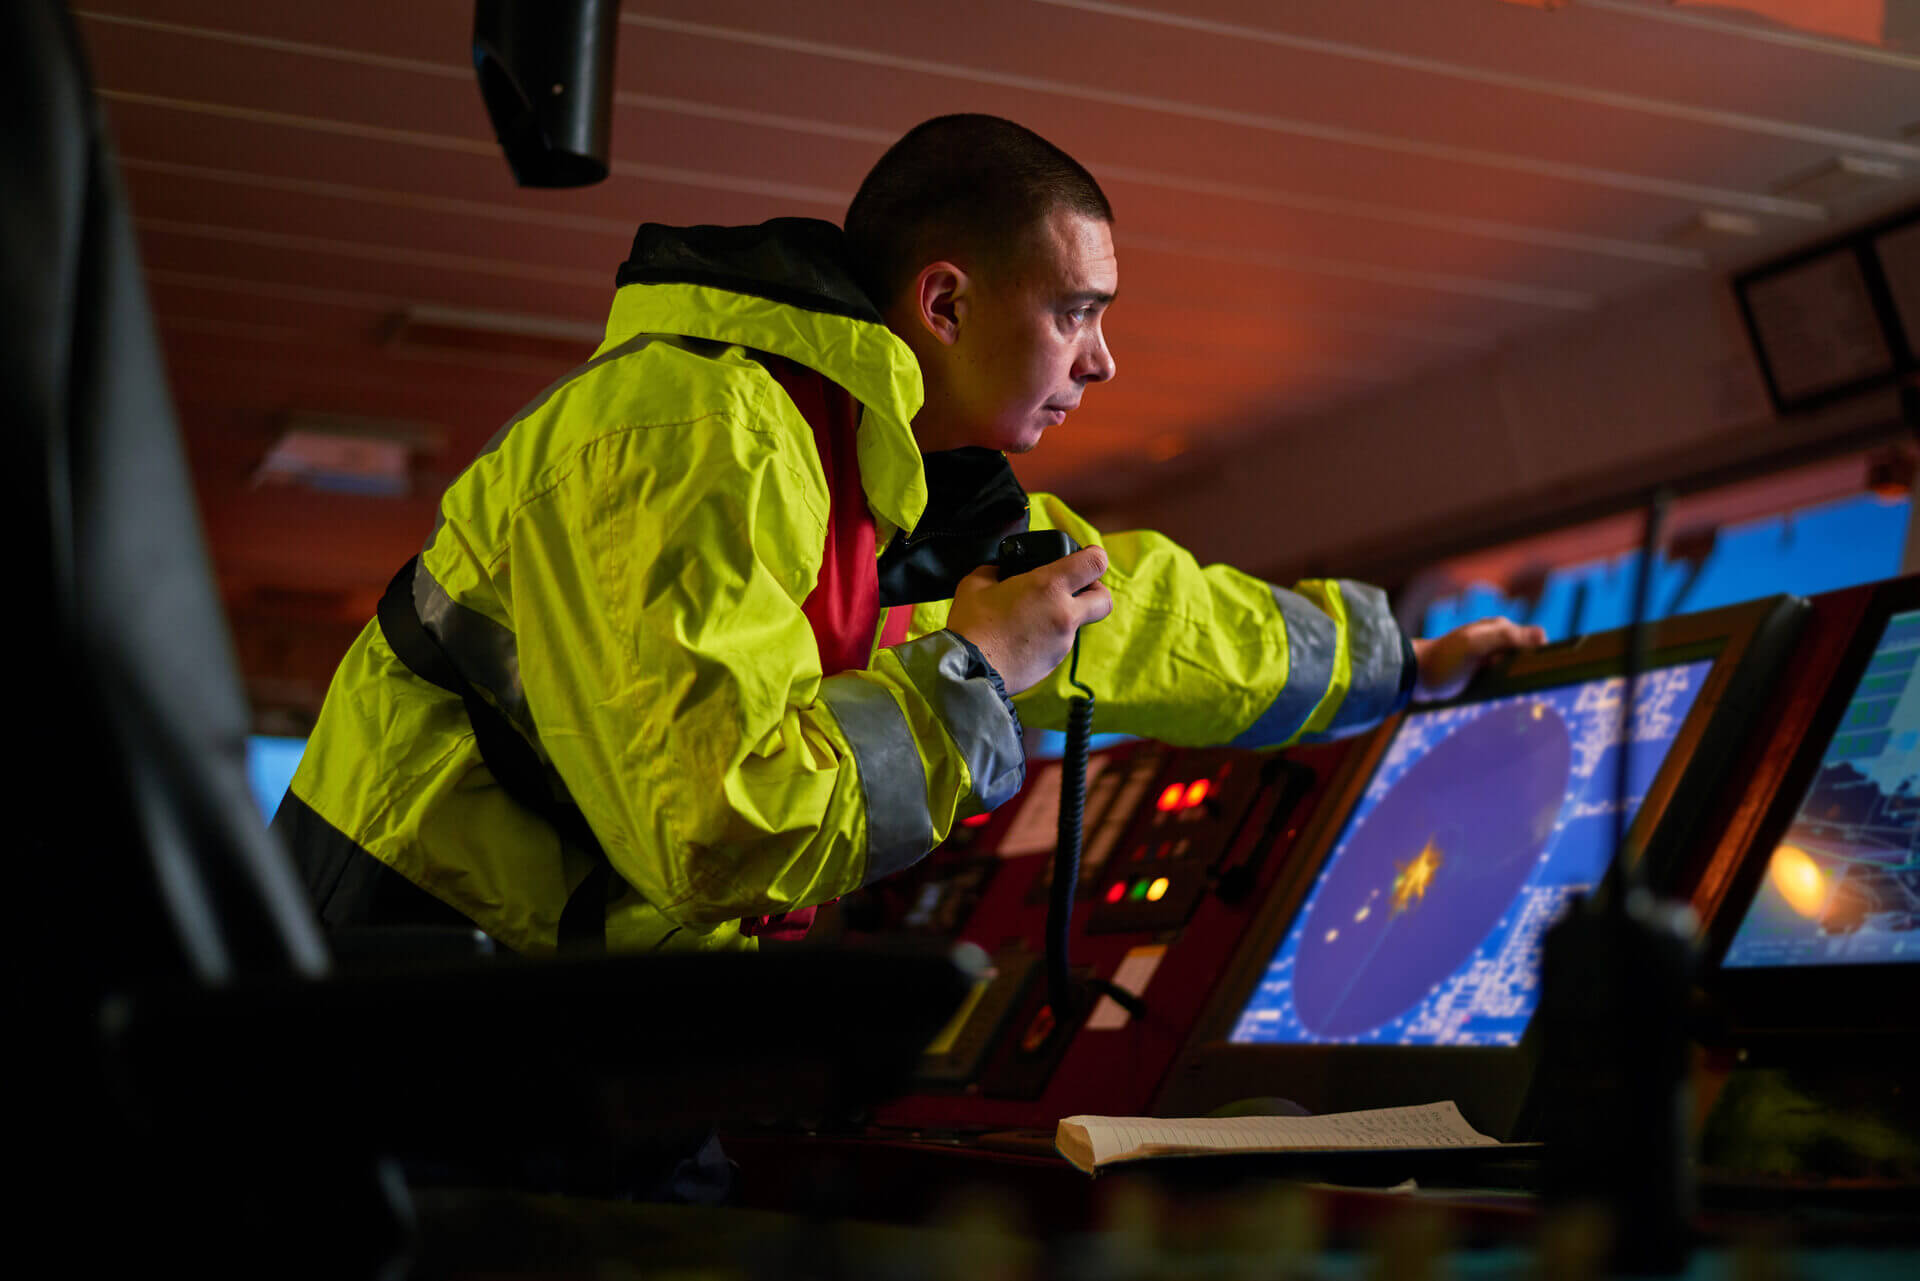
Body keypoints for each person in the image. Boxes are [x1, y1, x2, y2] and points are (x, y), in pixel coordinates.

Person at [274, 114, 1542, 956]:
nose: (1103, 360)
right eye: (1078, 312)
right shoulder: (692, 432)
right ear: (944, 300)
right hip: (401, 1034)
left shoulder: (890, 480)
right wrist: (972, 672)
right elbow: (726, 830)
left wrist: (1401, 667)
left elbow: (1141, 615)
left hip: (567, 1024)